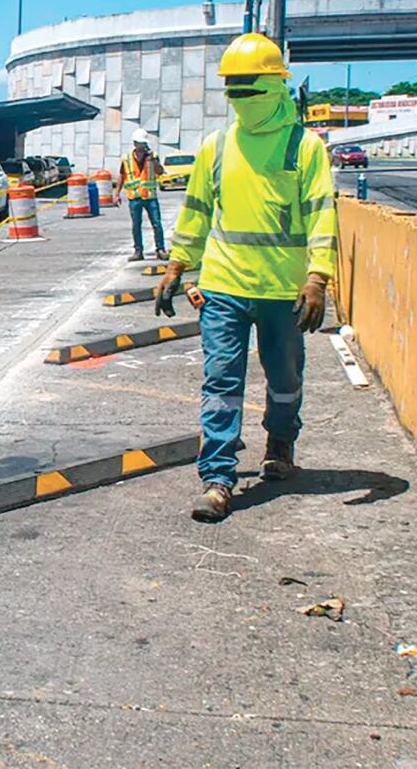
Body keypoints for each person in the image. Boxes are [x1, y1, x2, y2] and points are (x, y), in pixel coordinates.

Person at [155, 32, 337, 523]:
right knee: (221, 382)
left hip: (283, 291)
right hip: (224, 288)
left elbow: (322, 214)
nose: (238, 97)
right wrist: (177, 264)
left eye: (247, 86)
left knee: (284, 378)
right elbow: (195, 211)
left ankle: (280, 441)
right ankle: (218, 478)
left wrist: (319, 277)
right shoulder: (216, 147)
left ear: (277, 86)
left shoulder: (305, 147)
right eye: (231, 88)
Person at [115, 128, 169, 261]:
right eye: (140, 143)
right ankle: (138, 251)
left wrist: (154, 161)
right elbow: (122, 176)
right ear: (135, 143)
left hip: (150, 197)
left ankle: (160, 249)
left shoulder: (152, 157)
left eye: (144, 144)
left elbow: (160, 171)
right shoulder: (126, 159)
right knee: (136, 225)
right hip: (134, 198)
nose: (142, 146)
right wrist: (116, 193)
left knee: (156, 223)